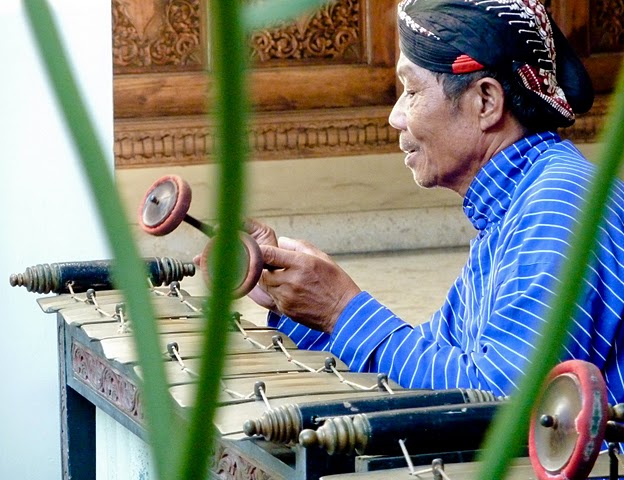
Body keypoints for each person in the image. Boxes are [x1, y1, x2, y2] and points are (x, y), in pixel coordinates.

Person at [237, 0, 624, 405]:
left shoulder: (559, 204)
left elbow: (497, 401)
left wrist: (341, 309)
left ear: (485, 102)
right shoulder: (515, 204)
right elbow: (436, 361)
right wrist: (298, 300)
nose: (395, 117)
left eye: (411, 91)